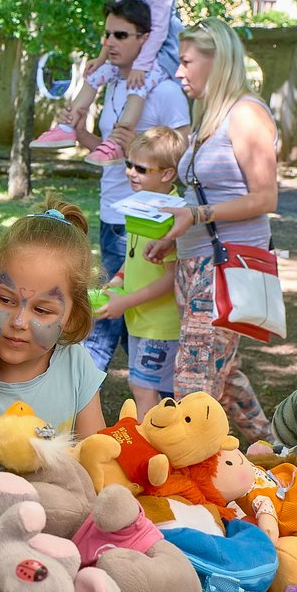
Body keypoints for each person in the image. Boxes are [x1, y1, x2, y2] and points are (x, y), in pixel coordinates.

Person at [147, 17, 278, 444]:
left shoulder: (246, 114)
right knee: (222, 371)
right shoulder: (210, 117)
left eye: (186, 62)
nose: (179, 72)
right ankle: (275, 450)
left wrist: (198, 217)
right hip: (195, 263)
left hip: (226, 267)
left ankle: (194, 485)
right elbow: (198, 196)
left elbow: (265, 199)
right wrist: (173, 233)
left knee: (193, 381)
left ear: (217, 61)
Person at [74, 0, 191, 376]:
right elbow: (111, 152)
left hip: (147, 221)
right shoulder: (113, 83)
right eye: (106, 33)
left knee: (105, 321)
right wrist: (79, 133)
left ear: (146, 39)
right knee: (126, 321)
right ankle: (156, 399)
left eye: (120, 35)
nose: (109, 42)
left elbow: (181, 155)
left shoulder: (164, 91)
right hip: (111, 212)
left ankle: (78, 400)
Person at [33, 0, 181, 165]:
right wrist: (101, 58)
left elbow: (158, 32)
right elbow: (116, 23)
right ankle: (68, 126)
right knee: (94, 75)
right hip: (137, 53)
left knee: (138, 86)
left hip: (160, 55)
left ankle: (118, 140)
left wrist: (141, 66)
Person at [0, 200, 105, 435]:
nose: (18, 322)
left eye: (42, 311)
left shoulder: (76, 365)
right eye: (6, 300)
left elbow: (96, 454)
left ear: (72, 316)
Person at [95, 127, 187, 413]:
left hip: (160, 324)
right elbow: (133, 257)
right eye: (128, 164)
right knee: (145, 387)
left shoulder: (174, 217)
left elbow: (172, 279)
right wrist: (119, 279)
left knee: (145, 388)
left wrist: (125, 302)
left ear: (167, 174)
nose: (131, 172)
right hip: (141, 320)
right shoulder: (140, 204)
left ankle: (156, 449)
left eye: (141, 168)